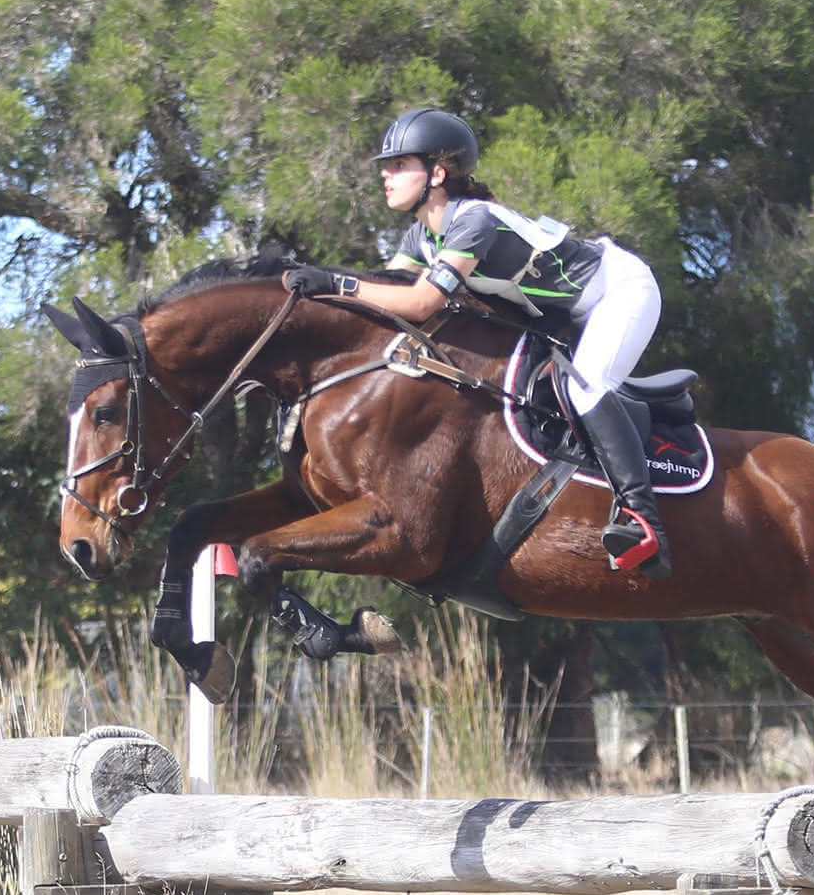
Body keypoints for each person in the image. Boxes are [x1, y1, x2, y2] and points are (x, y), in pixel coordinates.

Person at [283, 108, 670, 578]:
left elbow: (422, 302)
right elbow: (388, 299)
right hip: (562, 317)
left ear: (437, 173)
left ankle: (643, 519)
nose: (385, 174)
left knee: (586, 388)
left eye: (399, 164)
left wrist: (336, 284)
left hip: (619, 292)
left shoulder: (475, 221)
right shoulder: (421, 234)